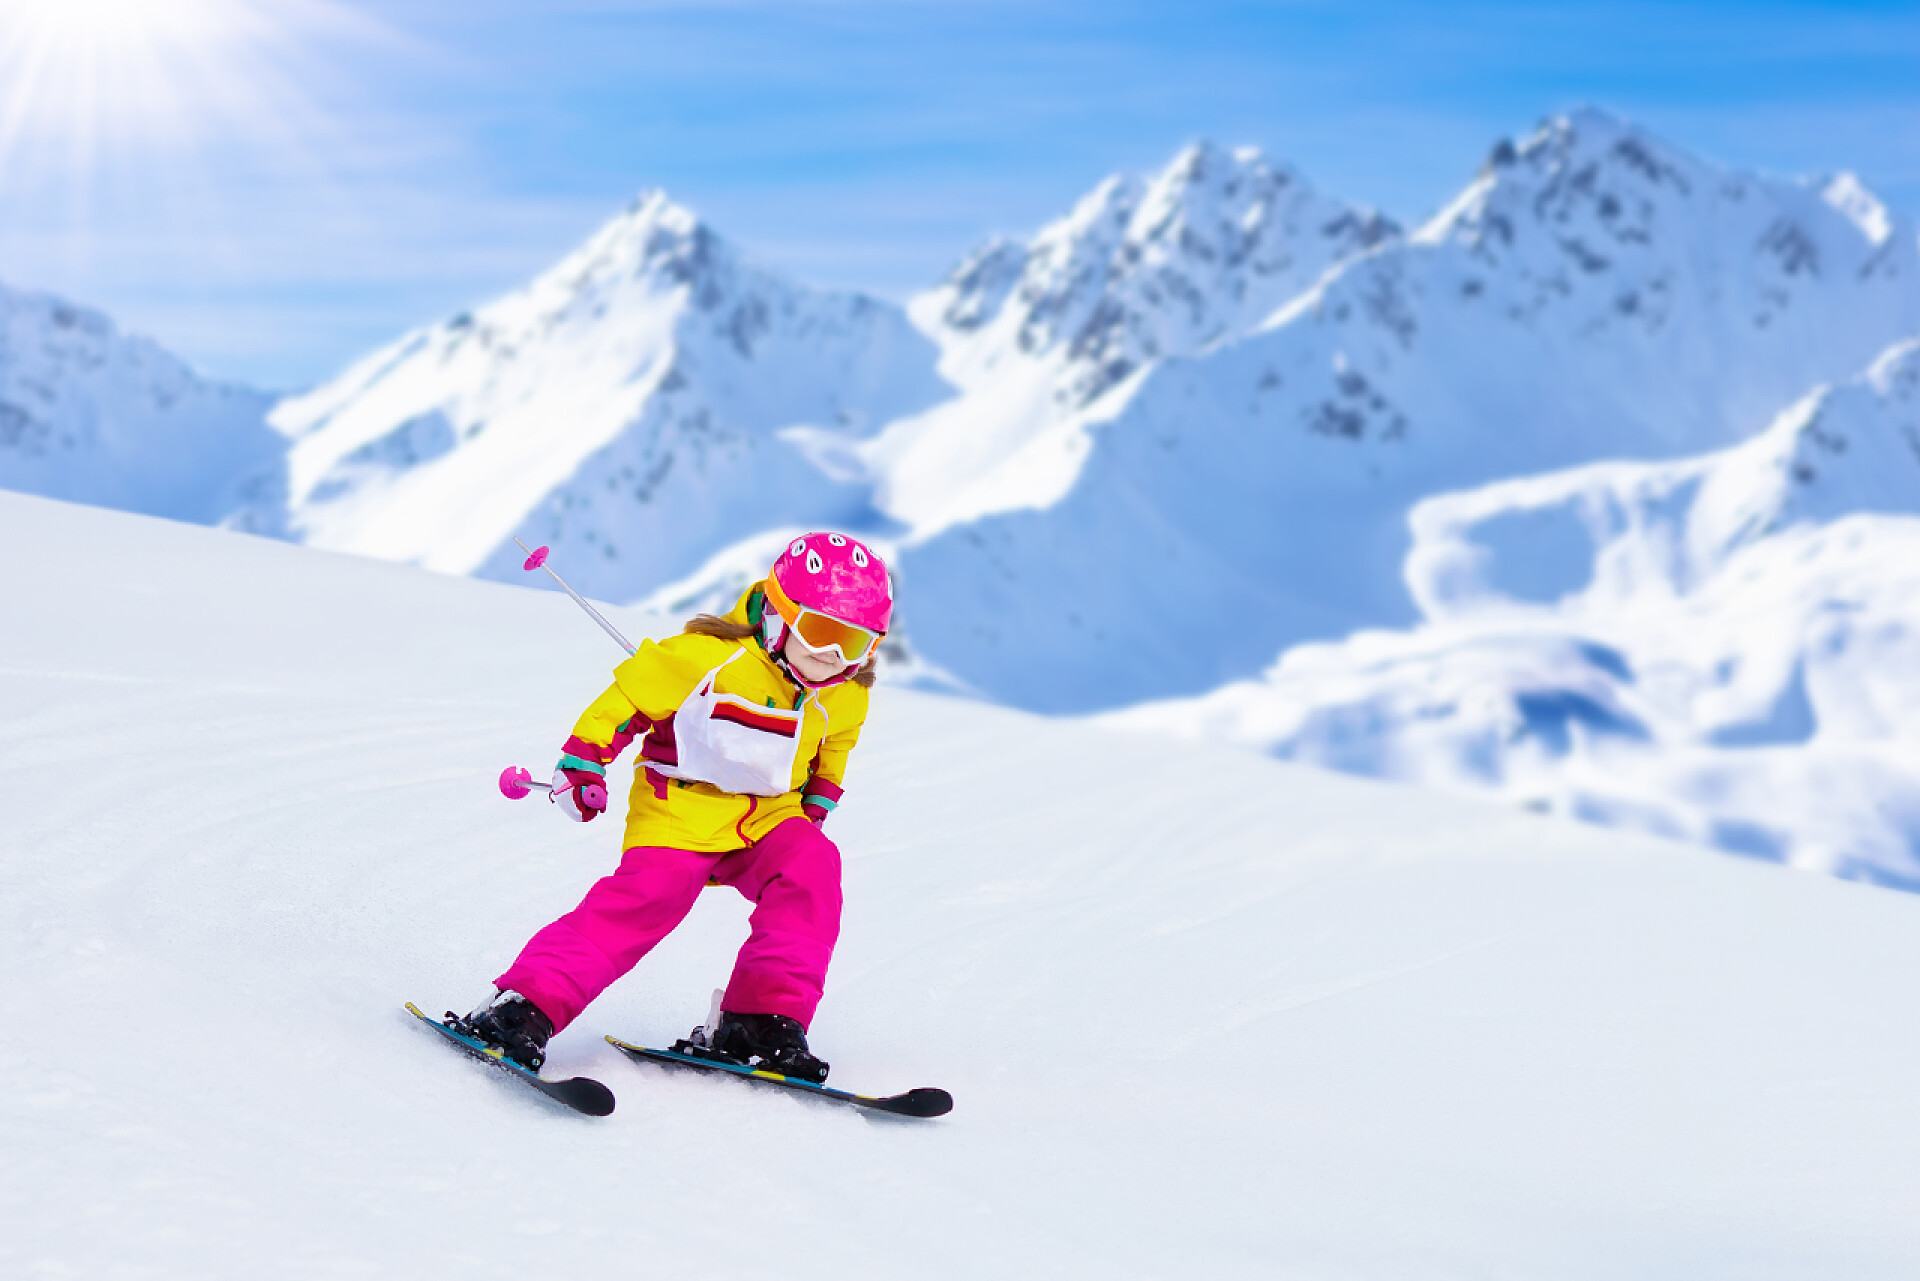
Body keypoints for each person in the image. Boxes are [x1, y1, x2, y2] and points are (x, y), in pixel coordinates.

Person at [451, 532, 891, 1083]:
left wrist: (819, 802)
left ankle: (757, 1021)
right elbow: (629, 700)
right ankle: (524, 1006)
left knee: (812, 865)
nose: (833, 657)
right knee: (646, 900)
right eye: (822, 633)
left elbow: (833, 750)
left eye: (856, 643)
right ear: (780, 615)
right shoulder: (705, 658)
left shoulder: (844, 692)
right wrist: (585, 762)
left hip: (767, 818)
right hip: (678, 813)